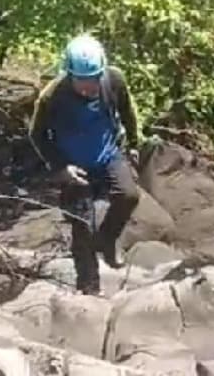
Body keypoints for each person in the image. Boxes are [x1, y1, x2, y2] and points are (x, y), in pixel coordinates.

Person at [30, 33, 142, 295]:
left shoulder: (113, 80)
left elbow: (127, 112)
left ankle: (108, 240)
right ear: (69, 75)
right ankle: (89, 288)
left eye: (93, 79)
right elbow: (36, 135)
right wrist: (59, 167)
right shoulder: (52, 96)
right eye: (82, 81)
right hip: (73, 166)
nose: (88, 87)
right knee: (82, 226)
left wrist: (134, 144)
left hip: (107, 154)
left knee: (129, 196)